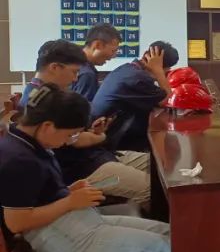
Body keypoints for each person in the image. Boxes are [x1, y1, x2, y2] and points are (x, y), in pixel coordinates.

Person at [0, 84, 171, 252]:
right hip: (64, 242)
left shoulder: (30, 143)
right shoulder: (17, 159)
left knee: (170, 234)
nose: (67, 142)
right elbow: (17, 222)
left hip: (76, 224)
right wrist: (69, 202)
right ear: (48, 126)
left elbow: (37, 195)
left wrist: (68, 191)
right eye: (70, 135)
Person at [22, 40, 150, 207]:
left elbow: (73, 136)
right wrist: (100, 136)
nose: (75, 78)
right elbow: (74, 140)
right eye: (74, 72)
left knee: (158, 166)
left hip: (97, 156)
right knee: (151, 188)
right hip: (83, 171)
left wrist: (91, 132)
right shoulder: (41, 102)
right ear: (54, 67)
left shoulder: (43, 93)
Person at [91, 41, 178, 152]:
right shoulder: (138, 78)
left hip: (104, 135)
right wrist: (158, 71)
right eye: (167, 69)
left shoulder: (127, 68)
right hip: (106, 143)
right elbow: (167, 100)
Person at [72, 22, 122, 101]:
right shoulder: (87, 74)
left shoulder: (74, 62)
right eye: (113, 51)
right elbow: (82, 108)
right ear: (97, 45)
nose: (114, 56)